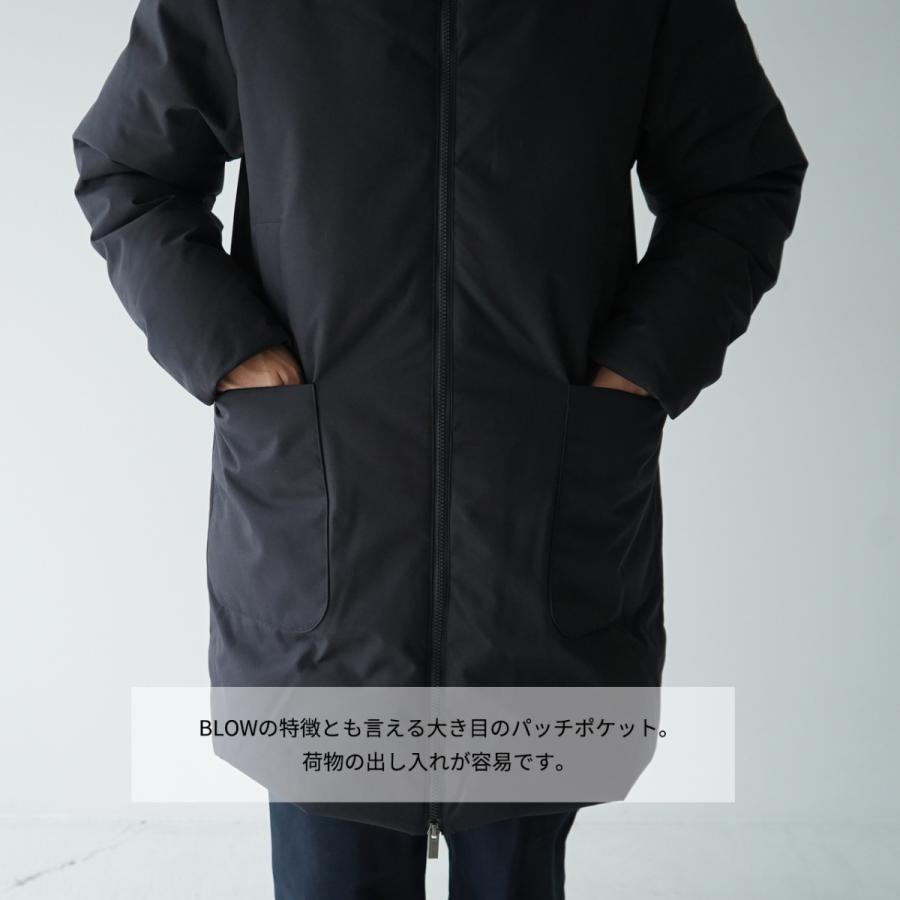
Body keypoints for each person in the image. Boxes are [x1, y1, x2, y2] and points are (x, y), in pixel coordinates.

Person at [72, 1, 807, 897]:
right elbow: (130, 170)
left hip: (538, 528)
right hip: (324, 530)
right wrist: (231, 351)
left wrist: (641, 369)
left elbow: (742, 179)